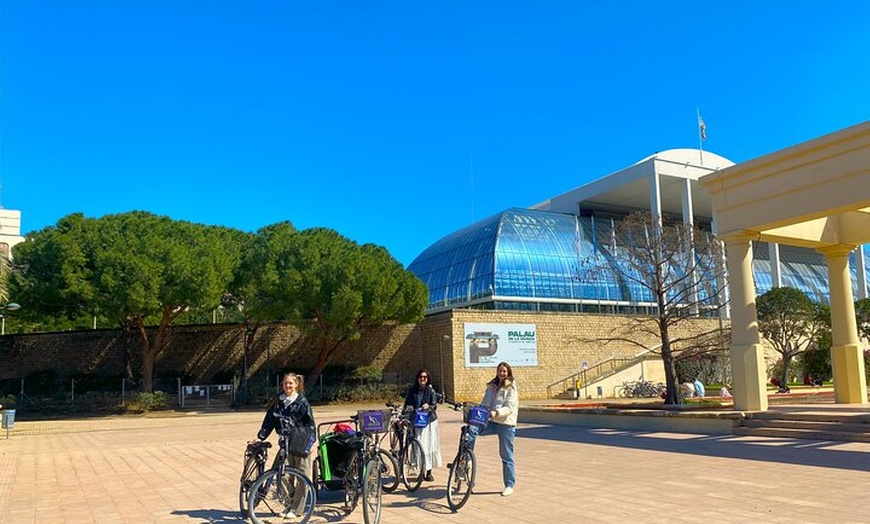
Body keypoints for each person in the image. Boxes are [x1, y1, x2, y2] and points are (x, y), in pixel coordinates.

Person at [256, 372, 316, 518]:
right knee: (282, 475)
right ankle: (289, 504)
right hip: (286, 443)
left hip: (301, 443)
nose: (287, 386)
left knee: (302, 477)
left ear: (296, 384)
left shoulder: (302, 402)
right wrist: (262, 435)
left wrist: (312, 442)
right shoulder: (278, 401)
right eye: (285, 383)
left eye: (290, 383)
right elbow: (269, 420)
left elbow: (310, 424)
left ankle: (297, 509)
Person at [466, 361, 519, 497]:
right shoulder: (492, 386)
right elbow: (485, 403)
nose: (502, 374)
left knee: (506, 455)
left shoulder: (511, 387)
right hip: (490, 421)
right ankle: (466, 460)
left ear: (508, 373)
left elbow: (510, 407)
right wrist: (479, 411)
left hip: (506, 423)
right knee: (470, 430)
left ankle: (509, 484)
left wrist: (497, 412)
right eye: (500, 371)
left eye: (504, 371)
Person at [403, 368, 442, 482]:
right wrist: (405, 416)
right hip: (417, 420)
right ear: (417, 378)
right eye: (420, 377)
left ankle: (428, 472)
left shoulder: (431, 391)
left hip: (429, 421)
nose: (422, 379)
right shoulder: (412, 390)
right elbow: (408, 404)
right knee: (419, 445)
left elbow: (434, 405)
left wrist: (428, 407)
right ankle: (420, 470)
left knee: (429, 445)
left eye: (425, 377)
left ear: (428, 378)